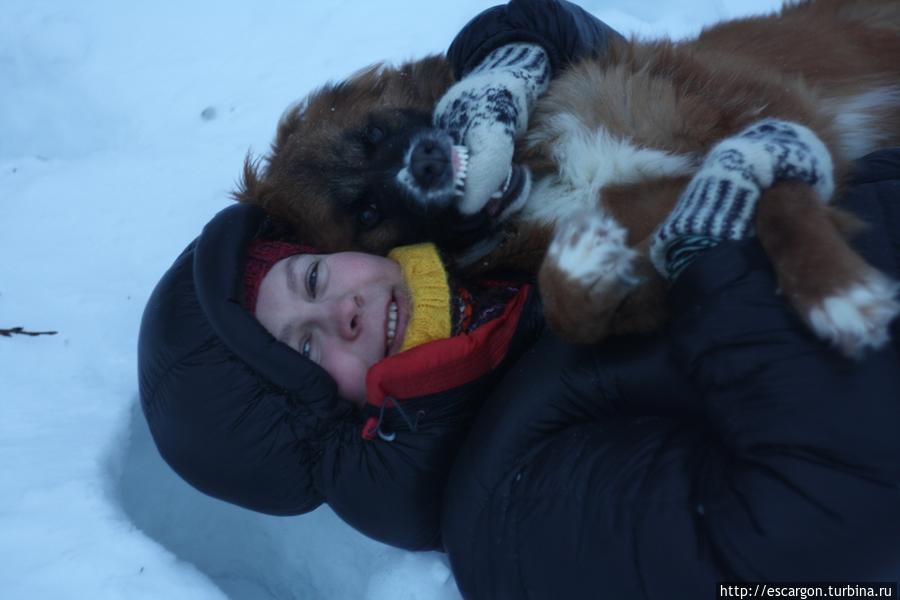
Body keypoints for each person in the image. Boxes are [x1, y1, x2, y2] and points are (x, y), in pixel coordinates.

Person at [138, 1, 900, 597]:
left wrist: (503, 67)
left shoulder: (485, 281)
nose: (339, 308)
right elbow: (824, 548)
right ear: (335, 423)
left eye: (310, 278)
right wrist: (718, 259)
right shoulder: (507, 522)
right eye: (306, 348)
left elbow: (580, 49)